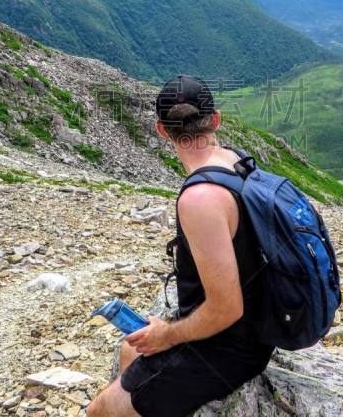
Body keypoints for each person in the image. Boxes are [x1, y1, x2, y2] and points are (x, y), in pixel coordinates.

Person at [87, 75, 274, 417]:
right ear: (215, 119)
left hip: (227, 348)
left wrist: (169, 335)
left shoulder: (201, 198)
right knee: (131, 352)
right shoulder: (238, 162)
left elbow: (226, 309)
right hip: (253, 327)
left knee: (98, 412)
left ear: (162, 130)